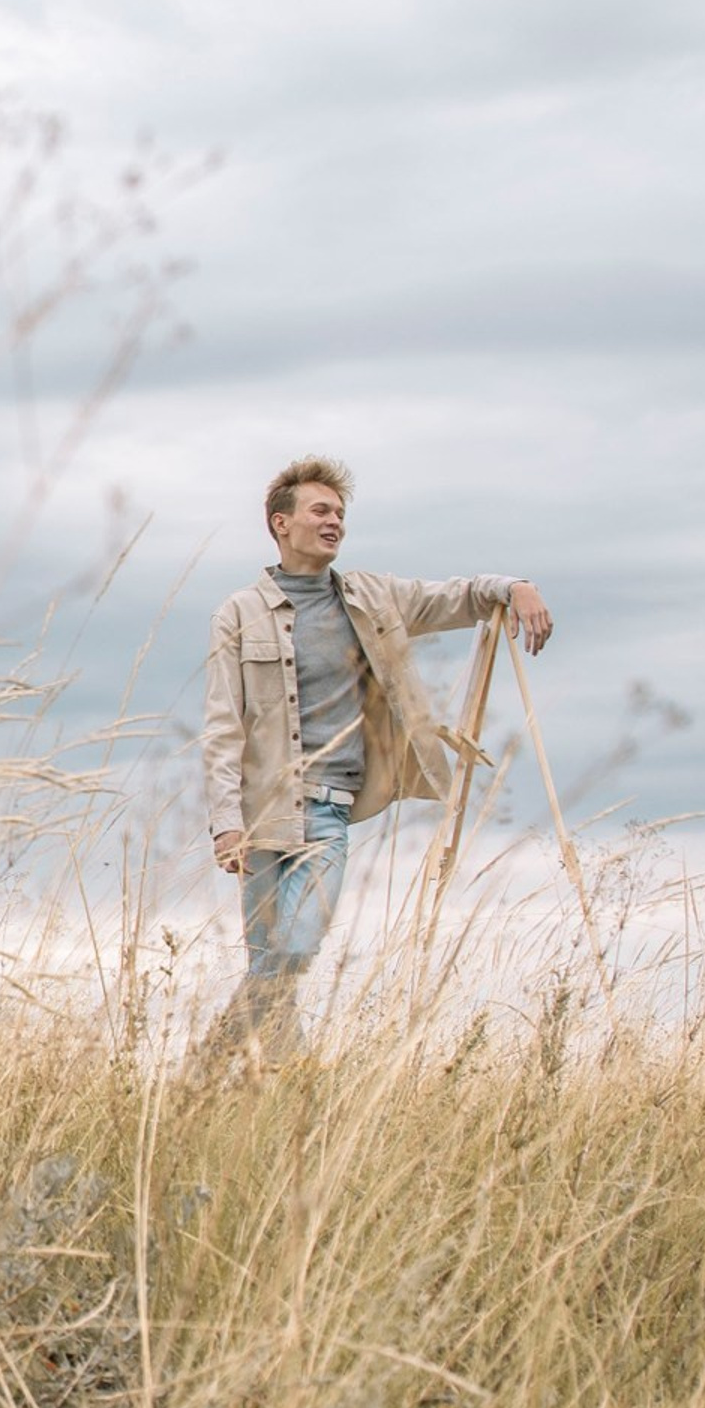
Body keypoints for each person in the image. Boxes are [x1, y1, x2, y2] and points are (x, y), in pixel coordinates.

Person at [198, 455, 551, 1065]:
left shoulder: (372, 597)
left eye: (340, 513)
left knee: (297, 947)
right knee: (270, 965)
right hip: (259, 814)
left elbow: (457, 597)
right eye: (320, 511)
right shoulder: (239, 612)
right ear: (281, 524)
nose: (334, 522)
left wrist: (514, 586)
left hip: (329, 811)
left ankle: (202, 1069)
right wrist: (226, 820)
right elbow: (222, 727)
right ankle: (284, 1092)